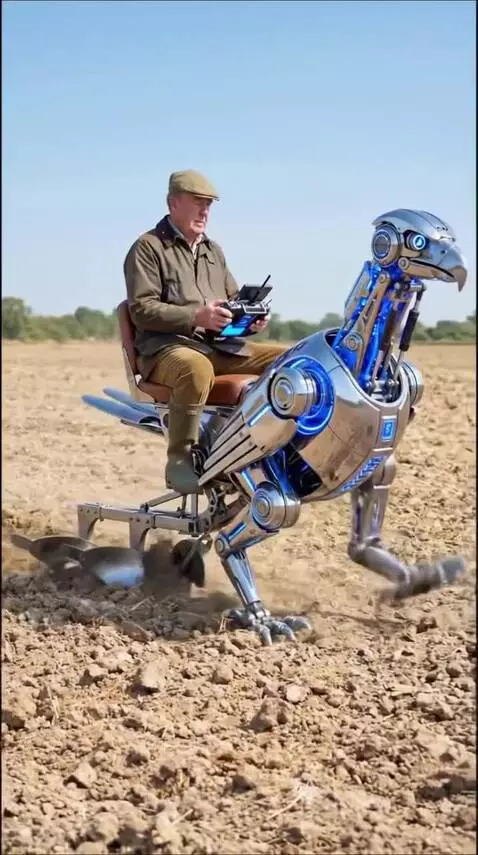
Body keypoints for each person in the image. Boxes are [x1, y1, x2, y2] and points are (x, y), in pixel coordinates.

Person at [124, 169, 288, 494]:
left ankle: (264, 447)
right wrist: (196, 316)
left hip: (218, 349)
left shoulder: (214, 252)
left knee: (291, 360)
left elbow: (230, 302)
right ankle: (181, 460)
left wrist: (248, 319)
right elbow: (141, 309)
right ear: (173, 203)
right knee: (196, 368)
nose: (205, 211)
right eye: (198, 202)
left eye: (209, 204)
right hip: (165, 350)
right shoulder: (147, 248)